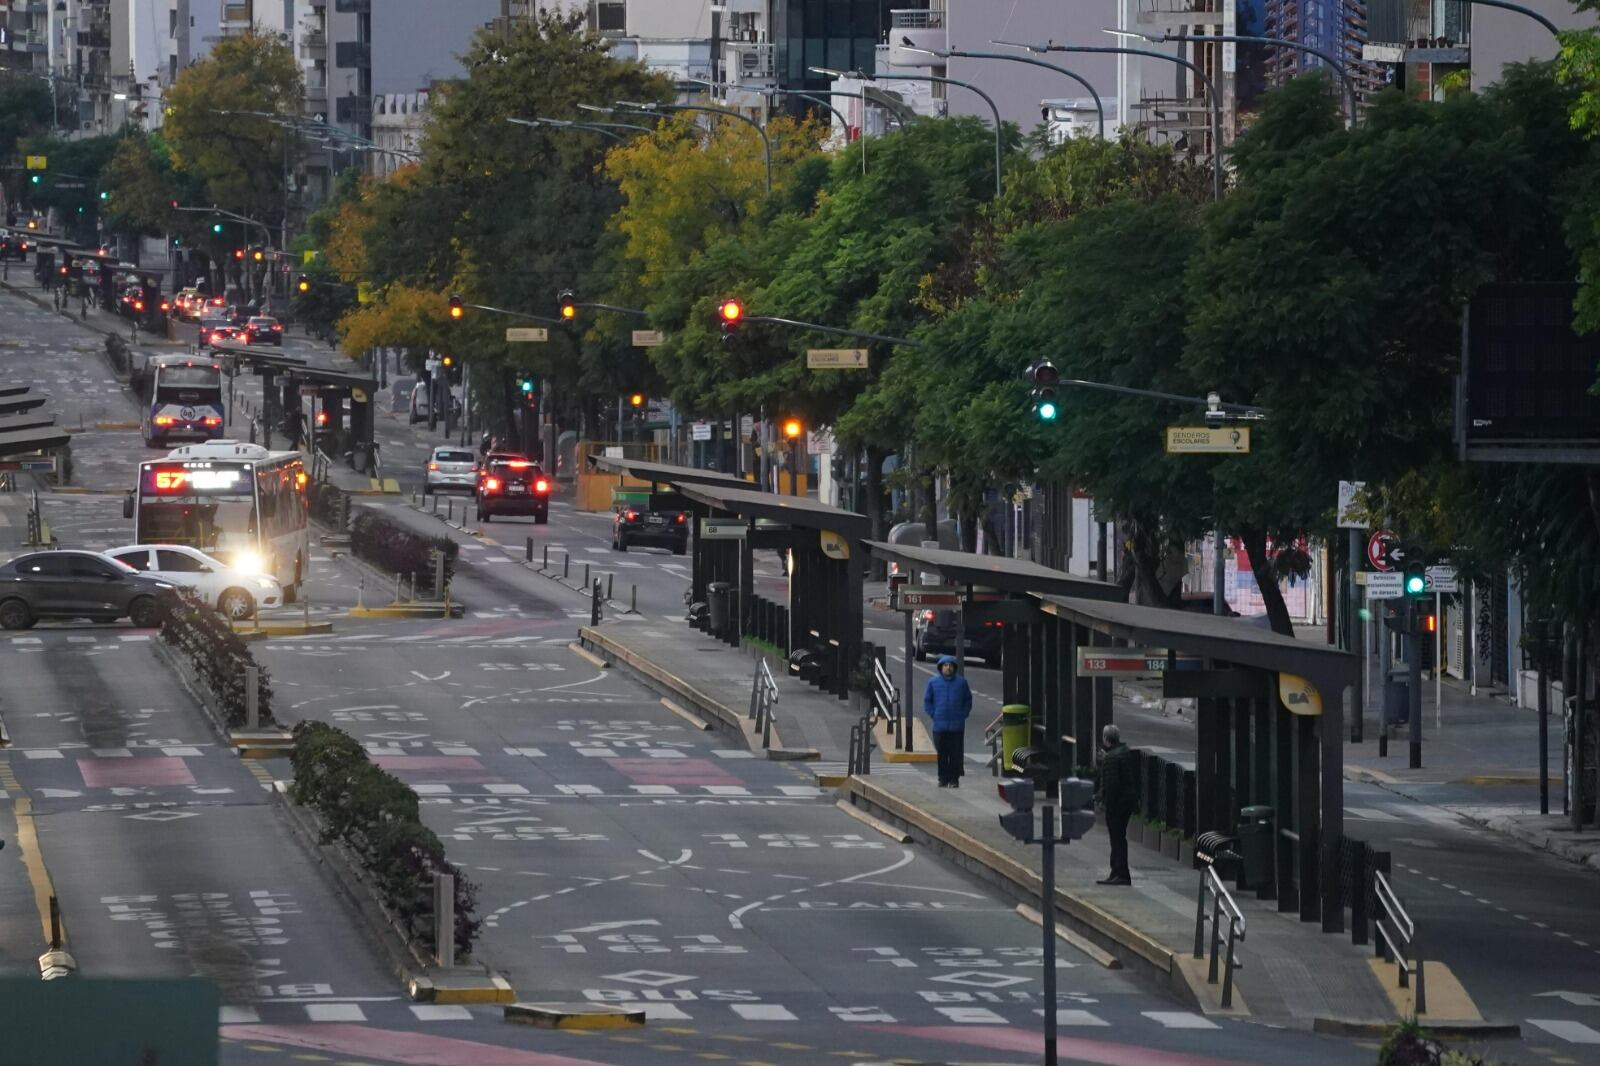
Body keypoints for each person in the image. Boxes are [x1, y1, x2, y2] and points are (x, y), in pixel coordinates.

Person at [1096, 723, 1138, 885]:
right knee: (1119, 837)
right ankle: (1117, 871)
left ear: (1105, 738)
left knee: (1117, 838)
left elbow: (1112, 785)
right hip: (1126, 802)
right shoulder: (1124, 753)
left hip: (1117, 804)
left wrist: (1104, 802)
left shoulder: (1111, 758)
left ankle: (1120, 872)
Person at [923, 655, 972, 788]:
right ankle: (942, 778)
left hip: (957, 726)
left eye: (950, 665)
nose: (948, 667)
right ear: (941, 668)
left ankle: (954, 779)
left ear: (954, 668)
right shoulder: (933, 683)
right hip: (939, 725)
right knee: (942, 754)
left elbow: (968, 700)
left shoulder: (962, 683)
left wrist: (963, 714)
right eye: (945, 665)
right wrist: (934, 714)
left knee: (955, 754)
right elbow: (927, 701)